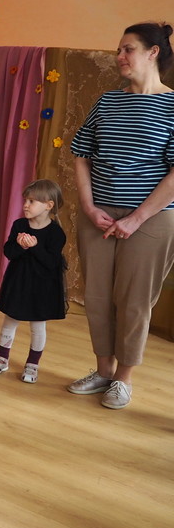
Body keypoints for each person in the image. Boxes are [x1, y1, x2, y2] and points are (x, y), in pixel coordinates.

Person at [67, 21, 174, 410]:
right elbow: (81, 153)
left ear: (153, 52)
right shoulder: (108, 101)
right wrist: (88, 206)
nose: (119, 57)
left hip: (151, 220)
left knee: (134, 300)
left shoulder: (173, 106)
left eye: (127, 49)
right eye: (119, 50)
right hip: (98, 215)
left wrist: (137, 218)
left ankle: (123, 379)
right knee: (96, 295)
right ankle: (103, 371)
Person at [0, 179, 67, 384]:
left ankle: (32, 364)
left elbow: (52, 262)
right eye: (25, 200)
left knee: (37, 326)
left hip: (42, 287)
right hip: (19, 283)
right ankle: (2, 358)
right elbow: (9, 252)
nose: (25, 205)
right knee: (9, 321)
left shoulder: (56, 233)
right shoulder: (19, 225)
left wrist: (35, 246)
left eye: (32, 201)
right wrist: (21, 246)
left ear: (48, 205)